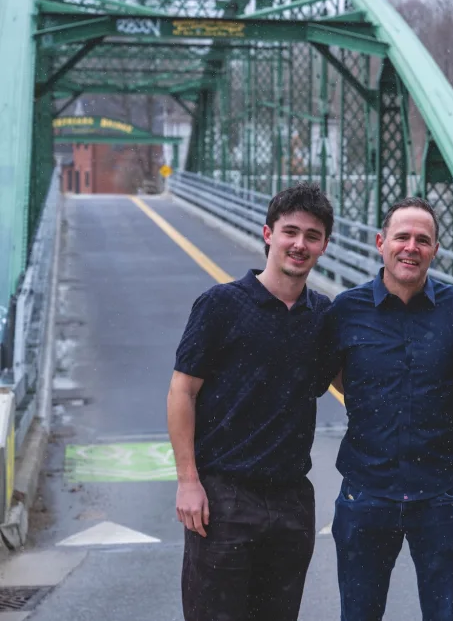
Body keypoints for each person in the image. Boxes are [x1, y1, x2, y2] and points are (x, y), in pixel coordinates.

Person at [167, 182, 335, 621]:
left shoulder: (324, 317)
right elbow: (182, 392)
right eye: (290, 231)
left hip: (292, 500)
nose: (300, 244)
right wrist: (188, 481)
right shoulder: (220, 304)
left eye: (312, 236)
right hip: (224, 496)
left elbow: (360, 384)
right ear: (268, 234)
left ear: (324, 246)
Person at [325, 197, 453, 621]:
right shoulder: (346, 310)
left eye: (423, 240)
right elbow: (334, 375)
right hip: (366, 491)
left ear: (435, 250)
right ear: (381, 242)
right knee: (358, 614)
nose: (411, 247)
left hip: (441, 493)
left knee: (445, 615)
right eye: (402, 237)